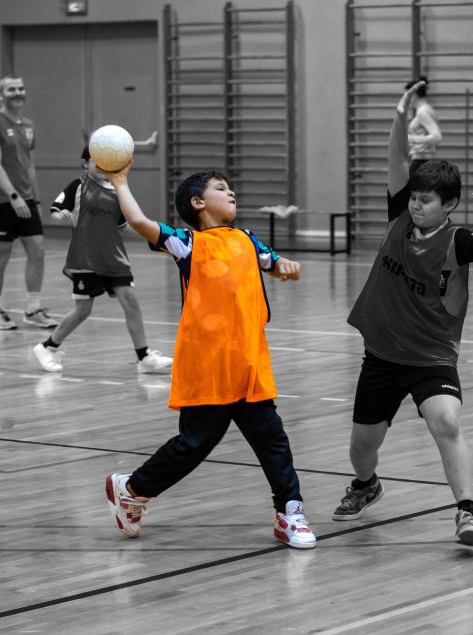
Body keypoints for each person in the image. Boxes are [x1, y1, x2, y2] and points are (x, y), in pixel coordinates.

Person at [331, 81, 473, 546]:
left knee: (447, 422)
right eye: (414, 197)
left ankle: (468, 510)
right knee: (362, 448)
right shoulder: (400, 215)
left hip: (431, 357)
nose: (416, 204)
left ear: (449, 204)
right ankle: (366, 485)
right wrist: (401, 112)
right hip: (381, 355)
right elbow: (396, 159)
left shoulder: (459, 241)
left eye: (426, 199)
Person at [101, 164, 316, 549]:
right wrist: (119, 181)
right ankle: (132, 489)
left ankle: (290, 511)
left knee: (273, 440)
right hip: (207, 367)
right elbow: (138, 221)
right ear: (198, 203)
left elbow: (274, 263)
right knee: (194, 444)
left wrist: (286, 266)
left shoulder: (248, 239)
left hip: (249, 365)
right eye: (220, 188)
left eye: (230, 188)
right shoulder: (187, 243)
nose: (230, 192)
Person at [31, 142, 172, 374]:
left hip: (114, 257)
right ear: (84, 163)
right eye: (96, 161)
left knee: (131, 301)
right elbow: (56, 210)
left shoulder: (117, 191)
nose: (101, 166)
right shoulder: (78, 186)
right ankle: (47, 347)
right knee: (83, 310)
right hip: (86, 258)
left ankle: (144, 357)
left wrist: (152, 235)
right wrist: (61, 215)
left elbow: (123, 225)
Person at [0, 75, 58, 330]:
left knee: (37, 251)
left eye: (21, 88)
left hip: (25, 199)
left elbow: (29, 164)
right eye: (11, 89)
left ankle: (33, 309)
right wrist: (13, 197)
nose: (17, 92)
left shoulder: (28, 124)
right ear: (1, 95)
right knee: (0, 256)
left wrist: (35, 198)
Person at [405, 76, 442, 175]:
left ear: (414, 95)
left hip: (421, 161)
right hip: (423, 160)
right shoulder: (427, 109)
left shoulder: (422, 112)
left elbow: (437, 137)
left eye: (408, 95)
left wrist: (412, 139)